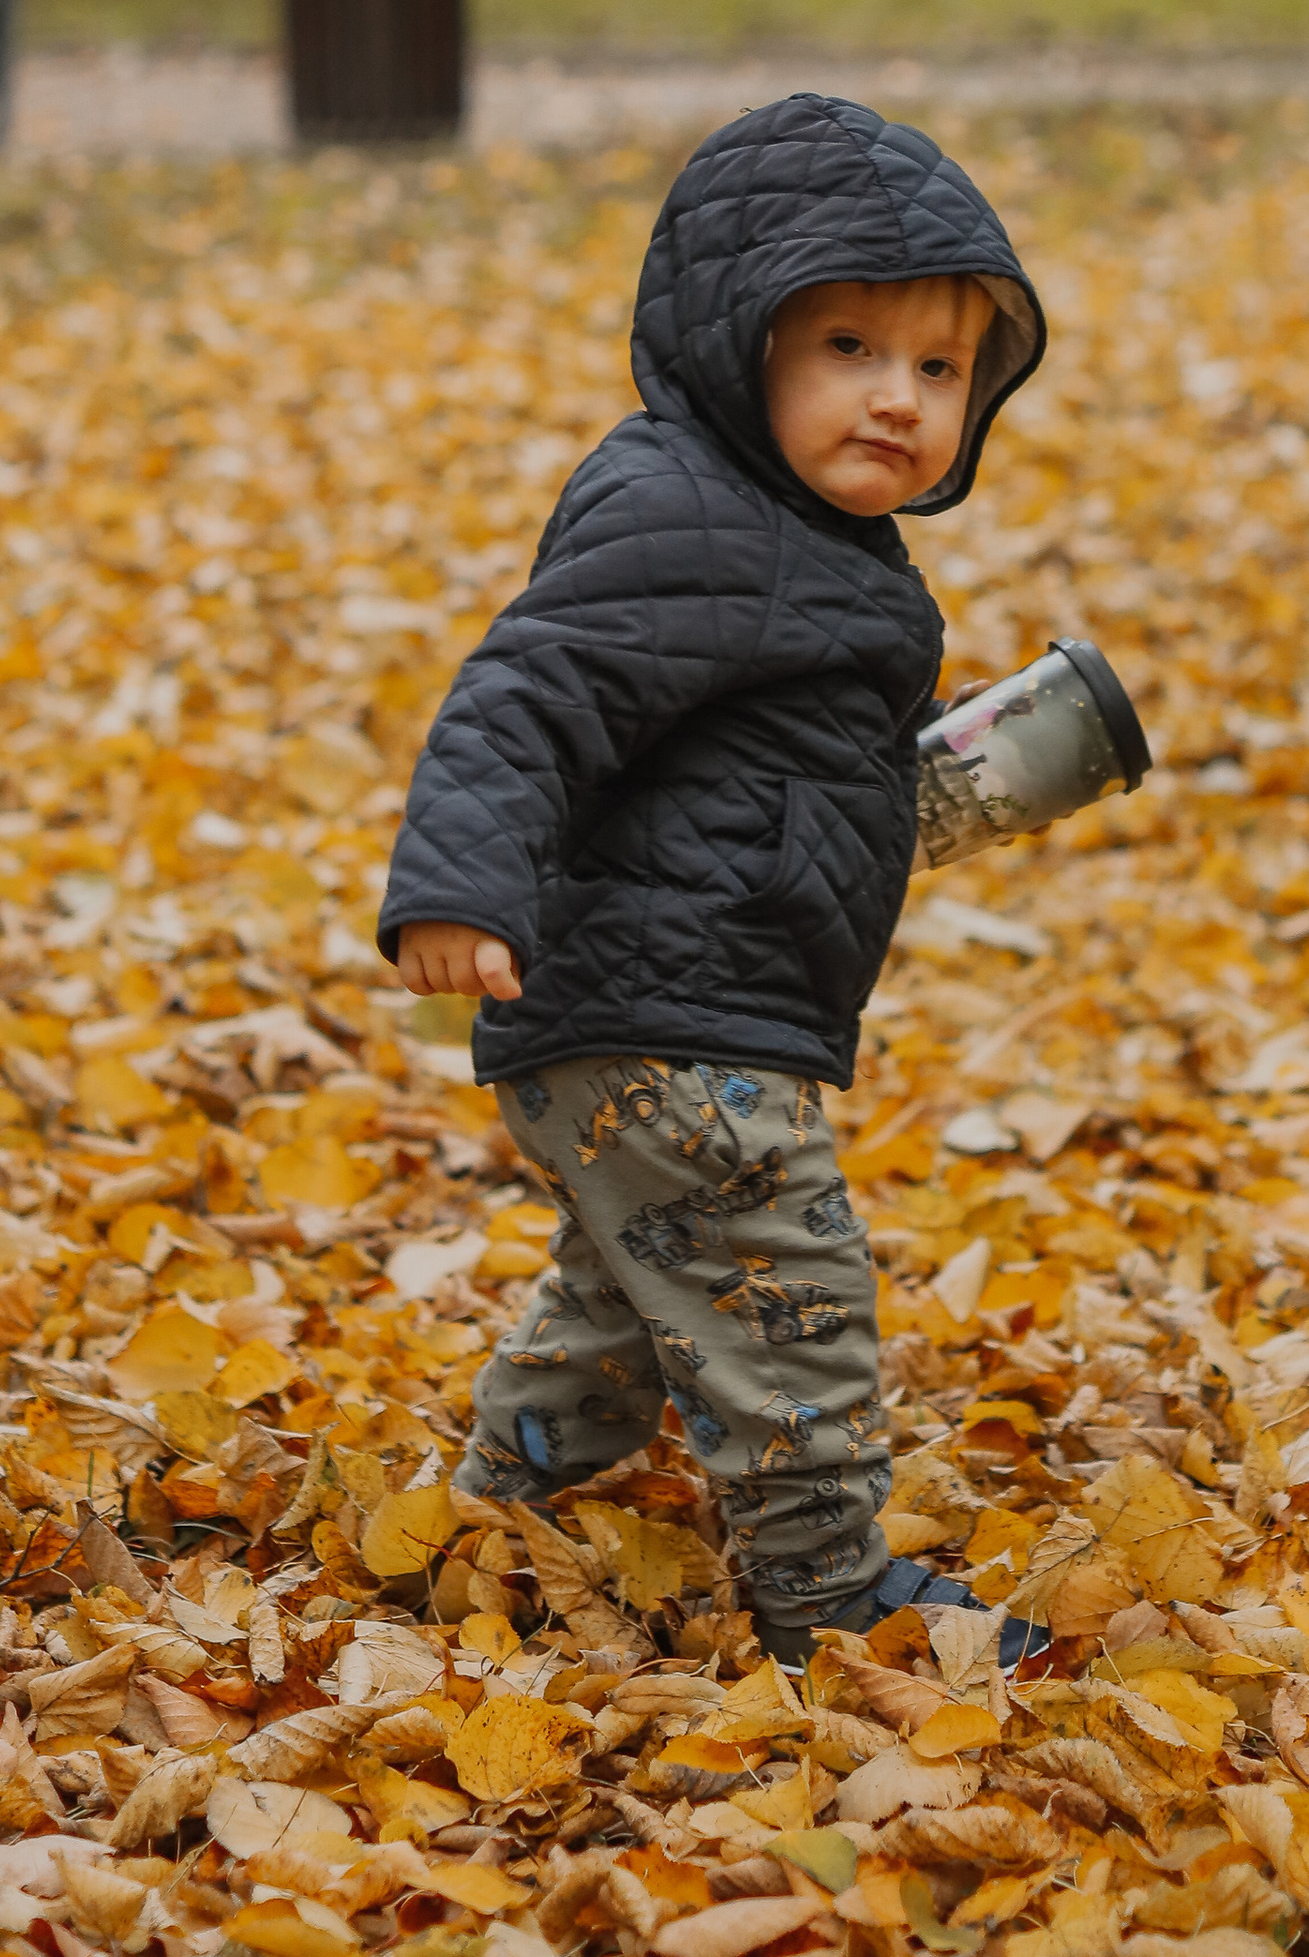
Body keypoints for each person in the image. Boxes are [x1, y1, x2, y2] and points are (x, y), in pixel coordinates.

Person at [378, 91, 1046, 1670]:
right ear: (737, 345)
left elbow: (753, 746)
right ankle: (829, 1595)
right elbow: (527, 694)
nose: (899, 401)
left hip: (677, 1006)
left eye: (940, 368)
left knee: (637, 1288)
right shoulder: (683, 504)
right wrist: (457, 887)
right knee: (783, 1286)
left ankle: (503, 1498)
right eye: (848, 353)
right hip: (664, 1014)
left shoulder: (805, 542)